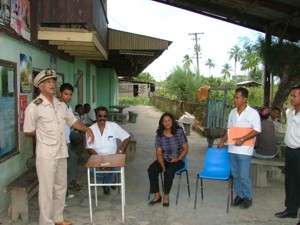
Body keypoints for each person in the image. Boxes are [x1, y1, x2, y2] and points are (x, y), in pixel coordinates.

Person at [23, 69, 94, 225]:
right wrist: (43, 134)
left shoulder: (61, 105)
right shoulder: (34, 107)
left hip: (62, 152)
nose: (52, 84)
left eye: (53, 82)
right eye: (48, 82)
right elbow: (28, 130)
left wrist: (87, 129)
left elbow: (73, 122)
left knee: (60, 187)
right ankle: (46, 222)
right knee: (47, 190)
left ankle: (58, 218)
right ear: (40, 86)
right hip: (46, 154)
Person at [217, 87, 261, 209]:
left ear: (245, 99)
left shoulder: (253, 113)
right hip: (232, 149)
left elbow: (257, 130)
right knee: (235, 174)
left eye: (237, 97)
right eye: (234, 97)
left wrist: (242, 139)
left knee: (244, 175)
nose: (235, 100)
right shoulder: (232, 113)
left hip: (245, 151)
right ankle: (240, 195)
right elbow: (229, 130)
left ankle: (248, 197)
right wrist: (222, 141)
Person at [86, 106, 131, 195]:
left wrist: (120, 152)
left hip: (112, 158)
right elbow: (90, 148)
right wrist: (100, 162)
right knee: (91, 171)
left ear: (107, 117)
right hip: (97, 158)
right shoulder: (90, 129)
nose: (102, 118)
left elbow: (127, 137)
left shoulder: (113, 126)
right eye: (100, 116)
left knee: (117, 167)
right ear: (96, 116)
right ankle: (109, 181)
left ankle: (106, 183)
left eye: (104, 116)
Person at [147, 112, 188, 207]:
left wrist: (178, 158)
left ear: (172, 121)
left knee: (169, 172)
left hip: (178, 160)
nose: (167, 123)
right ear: (162, 123)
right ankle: (157, 195)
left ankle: (166, 195)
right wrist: (162, 165)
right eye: (164, 121)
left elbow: (186, 149)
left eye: (169, 120)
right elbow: (158, 153)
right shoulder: (159, 135)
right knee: (151, 169)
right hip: (164, 159)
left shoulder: (179, 132)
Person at [275, 85, 300, 225]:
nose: (292, 98)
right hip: (290, 151)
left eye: (294, 96)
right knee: (290, 182)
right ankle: (291, 209)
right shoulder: (290, 113)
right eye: (291, 95)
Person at [59, 83, 82, 193]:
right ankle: (64, 189)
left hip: (67, 139)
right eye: (65, 94)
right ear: (60, 93)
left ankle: (69, 182)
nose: (68, 97)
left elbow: (72, 123)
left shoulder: (69, 107)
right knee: (64, 166)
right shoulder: (57, 107)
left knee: (72, 159)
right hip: (60, 142)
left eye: (70, 94)